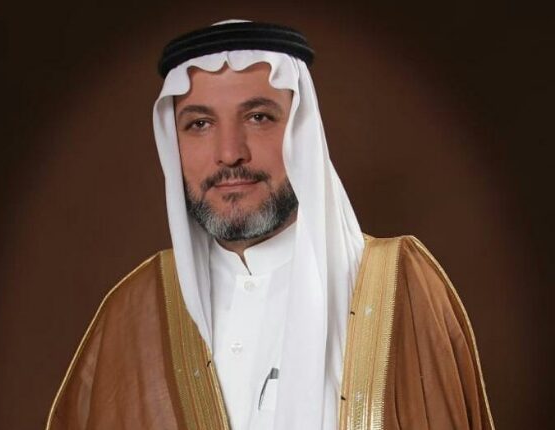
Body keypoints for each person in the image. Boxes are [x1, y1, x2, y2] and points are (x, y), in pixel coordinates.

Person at [45, 20, 494, 430]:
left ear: (302, 131)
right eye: (199, 124)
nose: (229, 153)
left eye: (258, 117)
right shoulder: (133, 312)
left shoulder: (400, 288)